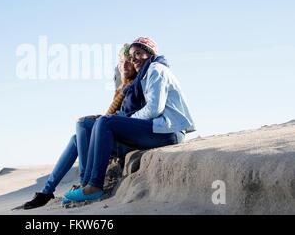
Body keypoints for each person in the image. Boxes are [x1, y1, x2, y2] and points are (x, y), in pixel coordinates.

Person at [63, 37, 195, 203]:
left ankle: (94, 186)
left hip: (169, 131)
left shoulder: (156, 69)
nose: (134, 60)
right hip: (159, 129)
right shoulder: (146, 74)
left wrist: (128, 119)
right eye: (132, 57)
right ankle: (86, 185)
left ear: (150, 53)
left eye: (138, 54)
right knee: (99, 123)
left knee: (106, 122)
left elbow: (155, 109)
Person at [22, 44, 137, 209]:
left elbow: (132, 116)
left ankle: (85, 183)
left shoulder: (134, 84)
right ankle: (47, 192)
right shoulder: (121, 86)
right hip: (113, 132)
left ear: (135, 63)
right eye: (121, 62)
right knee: (76, 138)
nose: (124, 66)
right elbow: (114, 114)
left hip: (125, 137)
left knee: (82, 124)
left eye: (128, 62)